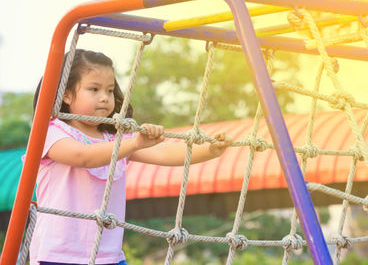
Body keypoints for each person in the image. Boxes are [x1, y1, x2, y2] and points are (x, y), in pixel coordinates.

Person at [29, 49, 232, 265]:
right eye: (94, 89)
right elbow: (83, 156)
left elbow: (162, 151)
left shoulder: (113, 137)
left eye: (109, 90)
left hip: (108, 255)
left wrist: (209, 151)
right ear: (67, 94)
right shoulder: (53, 131)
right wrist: (134, 143)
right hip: (60, 253)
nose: (105, 98)